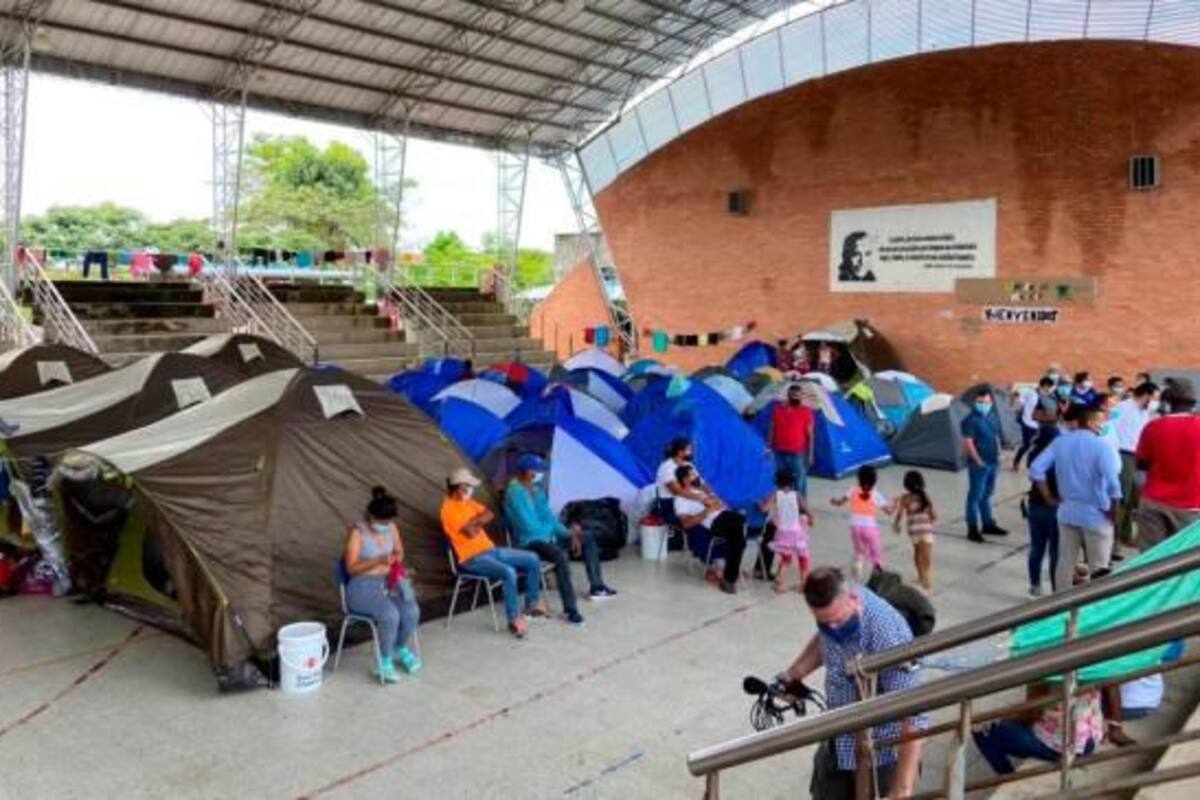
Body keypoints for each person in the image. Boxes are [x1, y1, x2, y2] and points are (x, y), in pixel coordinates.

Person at [782, 567, 925, 799]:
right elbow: (825, 641)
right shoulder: (834, 613)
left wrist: (902, 787)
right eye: (825, 623)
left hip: (879, 752)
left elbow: (914, 714)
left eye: (838, 620)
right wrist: (794, 673)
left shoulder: (884, 632)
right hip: (838, 737)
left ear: (854, 599)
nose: (833, 629)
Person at [504, 454, 617, 627]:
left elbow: (550, 519)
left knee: (586, 537)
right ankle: (570, 610)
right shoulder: (514, 494)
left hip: (547, 538)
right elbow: (529, 527)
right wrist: (553, 534)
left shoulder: (536, 491)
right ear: (527, 472)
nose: (541, 475)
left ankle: (597, 587)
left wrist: (569, 534)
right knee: (559, 555)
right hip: (529, 543)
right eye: (538, 471)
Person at [440, 468, 546, 639]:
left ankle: (531, 604)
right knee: (508, 572)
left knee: (532, 558)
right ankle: (514, 620)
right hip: (471, 558)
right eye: (468, 486)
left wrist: (475, 521)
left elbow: (490, 514)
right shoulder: (448, 510)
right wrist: (478, 521)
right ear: (459, 487)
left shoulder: (468, 502)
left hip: (491, 550)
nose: (471, 490)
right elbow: (471, 533)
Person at [1030, 404, 1122, 591]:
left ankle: (1060, 605)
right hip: (1095, 514)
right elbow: (1112, 481)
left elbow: (1036, 469)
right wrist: (1115, 507)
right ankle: (1095, 608)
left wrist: (1049, 497)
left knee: (1065, 561)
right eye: (1099, 421)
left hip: (1067, 511)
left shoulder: (1060, 442)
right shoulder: (1101, 446)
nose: (1101, 425)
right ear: (1089, 422)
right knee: (1099, 566)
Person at [342, 487, 421, 683]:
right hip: (362, 585)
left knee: (412, 610)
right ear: (371, 517)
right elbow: (351, 568)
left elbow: (399, 551)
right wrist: (376, 561)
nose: (387, 526)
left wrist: (396, 559)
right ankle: (384, 662)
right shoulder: (357, 532)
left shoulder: (392, 527)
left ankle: (400, 647)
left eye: (389, 522)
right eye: (383, 522)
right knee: (390, 614)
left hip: (391, 578)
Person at [973, 683, 1103, 775]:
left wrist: (999, 716)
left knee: (982, 729)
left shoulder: (1047, 673)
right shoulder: (1090, 669)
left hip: (1063, 747)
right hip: (1089, 740)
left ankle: (1007, 775)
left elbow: (1029, 715)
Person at [1136, 378, 1200, 549]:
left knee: (1150, 562)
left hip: (1154, 501)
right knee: (1184, 564)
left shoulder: (1152, 427)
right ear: (1193, 403)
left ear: (1167, 402)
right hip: (1191, 505)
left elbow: (1142, 464)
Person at [673, 464, 747, 594]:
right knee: (739, 524)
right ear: (684, 479)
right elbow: (685, 524)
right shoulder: (680, 499)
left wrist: (719, 502)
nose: (696, 476)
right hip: (713, 523)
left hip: (724, 516)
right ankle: (730, 576)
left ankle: (729, 580)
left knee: (738, 541)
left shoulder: (700, 492)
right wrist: (707, 511)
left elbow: (721, 505)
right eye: (692, 474)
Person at [1113, 382, 1159, 551]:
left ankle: (1125, 534)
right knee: (1122, 499)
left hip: (1140, 457)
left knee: (1134, 499)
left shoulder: (1146, 412)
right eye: (1153, 397)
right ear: (1145, 395)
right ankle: (1114, 541)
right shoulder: (1122, 407)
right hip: (1124, 455)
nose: (1154, 401)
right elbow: (1112, 430)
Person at [831, 465, 897, 580]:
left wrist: (834, 501)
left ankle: (858, 565)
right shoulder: (876, 494)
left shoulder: (852, 490)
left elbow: (839, 502)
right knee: (875, 549)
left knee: (859, 550)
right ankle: (877, 566)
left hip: (855, 525)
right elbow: (889, 512)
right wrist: (896, 503)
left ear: (859, 479)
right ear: (874, 481)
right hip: (870, 527)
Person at [961, 388, 1008, 542]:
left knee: (987, 494)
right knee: (975, 496)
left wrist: (1000, 452)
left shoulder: (992, 416)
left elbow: (995, 436)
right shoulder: (970, 420)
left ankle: (987, 524)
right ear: (975, 403)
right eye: (980, 402)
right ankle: (972, 528)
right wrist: (978, 461)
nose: (984, 405)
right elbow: (968, 443)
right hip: (979, 465)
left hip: (993, 461)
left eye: (987, 402)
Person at [761, 468, 812, 593]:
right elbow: (806, 510)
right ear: (792, 482)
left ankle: (779, 583)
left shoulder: (775, 494)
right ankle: (804, 584)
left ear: (777, 482)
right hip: (797, 531)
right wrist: (811, 519)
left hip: (783, 532)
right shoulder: (797, 495)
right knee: (803, 557)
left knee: (786, 559)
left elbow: (765, 509)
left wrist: (761, 503)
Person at [1024, 435, 1060, 596]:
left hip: (1036, 504)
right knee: (1056, 551)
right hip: (1055, 507)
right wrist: (1050, 498)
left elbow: (1034, 471)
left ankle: (1035, 584)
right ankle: (1055, 589)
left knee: (1036, 547)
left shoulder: (1036, 450)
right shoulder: (1064, 458)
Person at [767, 383, 816, 497]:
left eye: (798, 395)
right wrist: (769, 447)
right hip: (778, 450)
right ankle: (782, 503)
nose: (796, 397)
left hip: (798, 452)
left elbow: (811, 435)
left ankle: (801, 507)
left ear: (801, 396)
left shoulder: (806, 411)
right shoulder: (778, 410)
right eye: (793, 395)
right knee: (780, 479)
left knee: (800, 480)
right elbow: (772, 429)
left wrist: (811, 455)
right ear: (788, 395)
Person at [892, 470, 936, 593]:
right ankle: (925, 577)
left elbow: (899, 515)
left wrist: (896, 525)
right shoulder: (924, 496)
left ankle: (921, 575)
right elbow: (932, 513)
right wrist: (932, 518)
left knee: (918, 552)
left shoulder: (905, 498)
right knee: (926, 554)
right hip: (925, 529)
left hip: (913, 530)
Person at [1014, 377, 1058, 470]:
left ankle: (1032, 464)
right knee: (1026, 445)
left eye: (1050, 387)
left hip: (1042, 425)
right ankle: (1016, 461)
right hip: (1028, 423)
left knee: (1038, 445)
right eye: (1048, 387)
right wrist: (1016, 400)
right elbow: (1019, 400)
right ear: (1044, 386)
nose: (1049, 389)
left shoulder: (1049, 397)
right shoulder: (1031, 393)